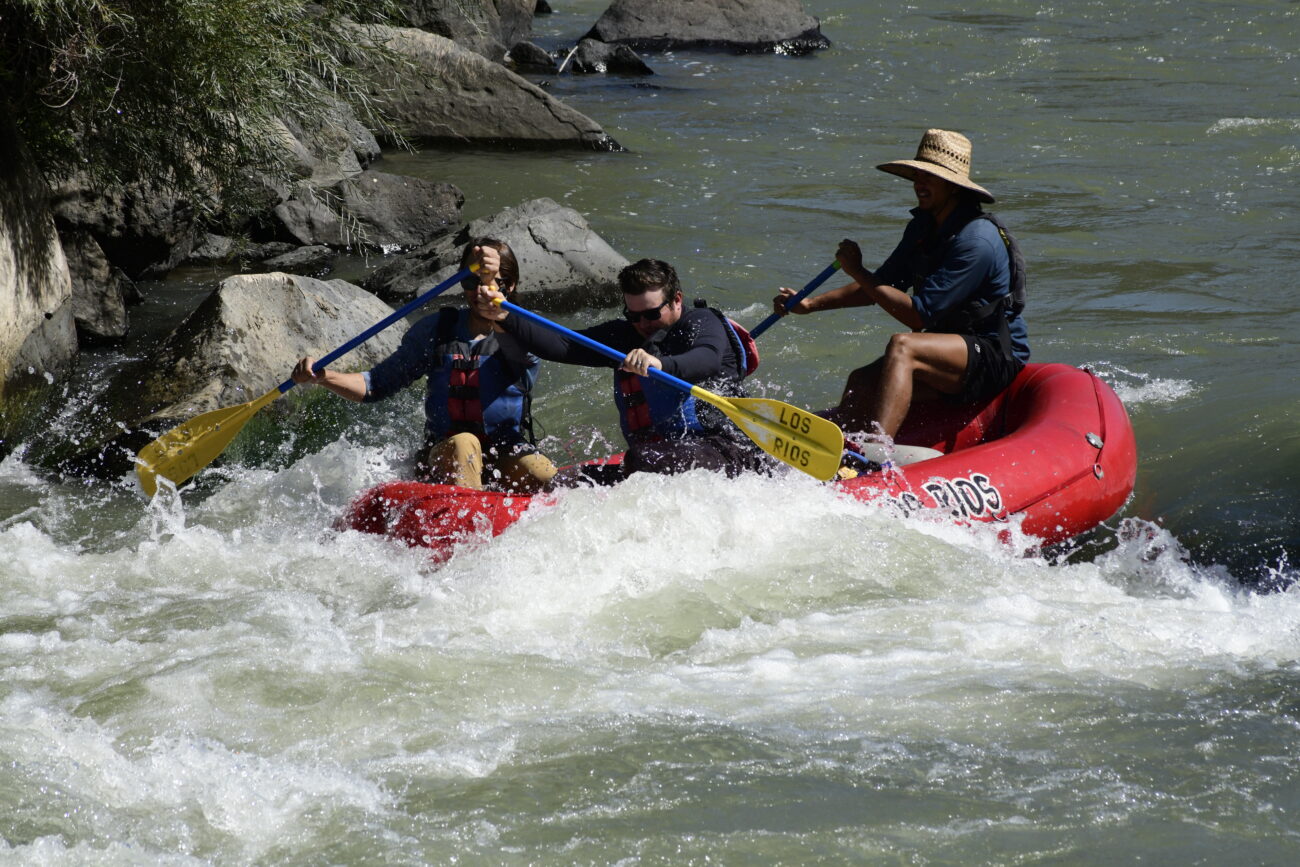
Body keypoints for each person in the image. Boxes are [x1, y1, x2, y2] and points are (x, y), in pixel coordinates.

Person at [772, 128, 1029, 441]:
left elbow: (916, 316)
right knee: (862, 381)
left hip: (993, 356)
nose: (919, 184)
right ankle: (839, 445)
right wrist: (810, 305)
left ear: (954, 188)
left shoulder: (976, 241)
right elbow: (882, 285)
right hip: (949, 347)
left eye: (930, 178)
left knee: (903, 346)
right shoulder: (922, 226)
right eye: (917, 176)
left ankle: (878, 454)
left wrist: (857, 270)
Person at [291, 238, 558, 493]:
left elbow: (519, 349)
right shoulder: (436, 329)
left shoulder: (526, 331)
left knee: (542, 473)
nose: (479, 291)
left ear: (509, 286)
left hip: (505, 452)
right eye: (470, 280)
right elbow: (375, 385)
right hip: (447, 453)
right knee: (466, 444)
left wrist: (491, 284)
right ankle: (470, 522)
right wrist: (323, 377)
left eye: (488, 282)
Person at [474, 257, 766, 482]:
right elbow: (562, 343)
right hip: (655, 456)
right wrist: (505, 315)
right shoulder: (628, 335)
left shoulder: (701, 322)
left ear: (677, 299)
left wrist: (659, 363)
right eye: (633, 315)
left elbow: (708, 358)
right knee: (565, 483)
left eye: (652, 313)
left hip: (726, 449)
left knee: (645, 459)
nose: (643, 323)